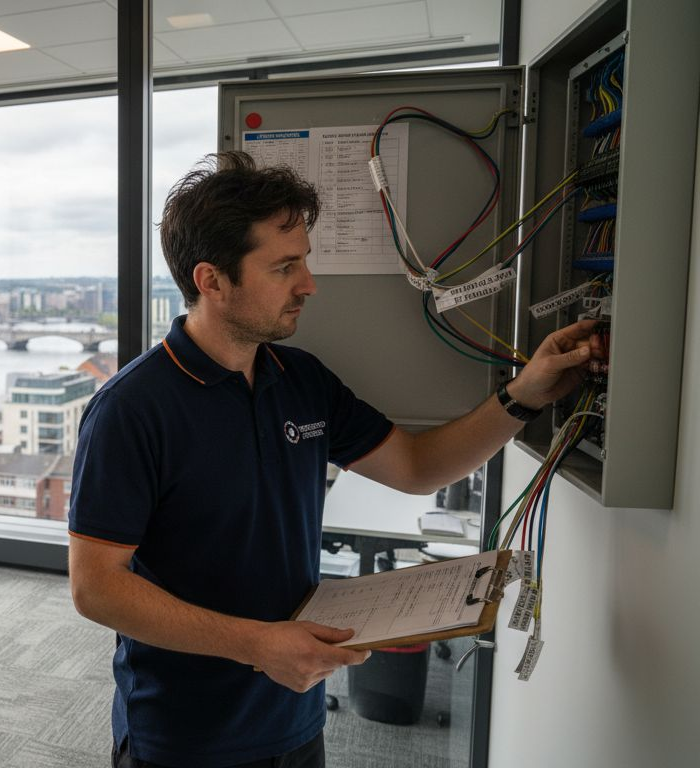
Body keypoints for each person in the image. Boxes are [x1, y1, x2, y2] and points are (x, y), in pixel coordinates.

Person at [68, 152, 600, 768]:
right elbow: (96, 588)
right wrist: (256, 646)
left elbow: (416, 466)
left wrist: (524, 394)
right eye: (285, 266)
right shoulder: (131, 409)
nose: (308, 284)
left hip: (294, 714)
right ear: (211, 280)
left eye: (306, 261)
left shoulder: (302, 380)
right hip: (186, 733)